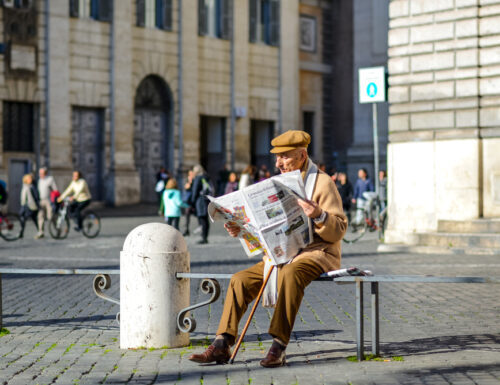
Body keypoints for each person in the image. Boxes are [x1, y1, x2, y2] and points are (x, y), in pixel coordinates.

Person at [189, 130, 347, 368]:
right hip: (280, 253)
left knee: (290, 274)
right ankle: (222, 343)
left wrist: (318, 214)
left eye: (284, 156)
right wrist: (241, 230)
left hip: (316, 253)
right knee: (239, 280)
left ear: (302, 155)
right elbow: (268, 229)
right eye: (276, 157)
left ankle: (278, 345)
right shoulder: (276, 183)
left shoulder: (322, 182)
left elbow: (339, 230)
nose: (278, 163)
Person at [188, 165, 213, 244]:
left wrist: (192, 201)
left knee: (202, 219)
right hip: (207, 200)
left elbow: (195, 191)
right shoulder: (206, 177)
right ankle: (205, 236)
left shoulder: (198, 178)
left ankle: (204, 238)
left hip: (200, 201)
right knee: (205, 219)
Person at [36, 167, 58, 239]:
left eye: (42, 173)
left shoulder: (50, 179)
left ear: (46, 173)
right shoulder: (39, 180)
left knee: (50, 216)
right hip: (41, 200)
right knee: (40, 216)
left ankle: (57, 228)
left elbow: (55, 190)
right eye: (40, 173)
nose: (41, 175)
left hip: (48, 200)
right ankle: (41, 232)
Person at [19, 173, 40, 238]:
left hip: (31, 206)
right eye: (29, 178)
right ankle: (21, 232)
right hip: (25, 205)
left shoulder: (32, 187)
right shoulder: (25, 186)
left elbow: (36, 196)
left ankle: (40, 230)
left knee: (33, 219)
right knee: (23, 218)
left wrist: (37, 204)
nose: (31, 180)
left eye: (31, 178)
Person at [181, 170, 195, 236]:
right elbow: (186, 187)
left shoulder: (196, 180)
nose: (191, 175)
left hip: (195, 200)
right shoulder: (187, 180)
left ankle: (201, 228)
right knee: (187, 215)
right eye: (190, 174)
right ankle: (186, 229)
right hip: (189, 201)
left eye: (192, 174)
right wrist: (190, 181)